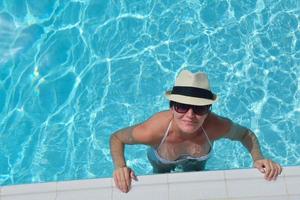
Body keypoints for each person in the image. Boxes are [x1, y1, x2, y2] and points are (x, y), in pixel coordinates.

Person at [110, 70, 282, 193]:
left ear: (208, 109)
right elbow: (117, 138)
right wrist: (120, 167)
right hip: (162, 163)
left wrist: (258, 158)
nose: (190, 115)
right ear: (172, 107)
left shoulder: (215, 126)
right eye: (182, 106)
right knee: (161, 186)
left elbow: (245, 134)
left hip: (197, 163)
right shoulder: (153, 130)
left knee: (197, 184)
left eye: (199, 108)